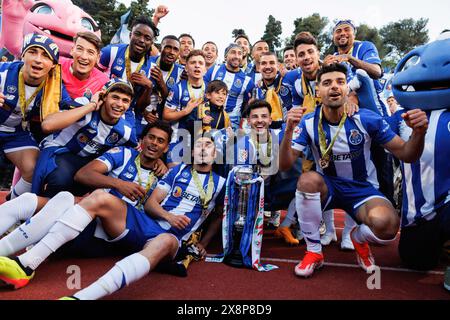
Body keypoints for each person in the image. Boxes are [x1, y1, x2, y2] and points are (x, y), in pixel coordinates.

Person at [0, 136, 226, 300]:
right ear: (192, 152)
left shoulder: (223, 183)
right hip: (140, 222)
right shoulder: (175, 171)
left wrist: (203, 244)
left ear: (215, 154)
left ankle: (82, 297)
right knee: (95, 197)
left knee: (165, 240)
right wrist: (168, 215)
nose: (203, 149)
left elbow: (218, 217)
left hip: (169, 240)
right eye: (198, 145)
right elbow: (150, 203)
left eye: (208, 146)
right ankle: (27, 263)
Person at [279, 63, 428, 278]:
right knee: (307, 181)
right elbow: (284, 165)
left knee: (388, 227)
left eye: (340, 81)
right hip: (328, 186)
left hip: (362, 188)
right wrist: (288, 131)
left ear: (347, 89)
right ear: (318, 92)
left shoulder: (366, 118)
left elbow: (407, 154)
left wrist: (419, 133)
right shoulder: (308, 122)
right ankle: (314, 251)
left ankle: (358, 237)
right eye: (327, 83)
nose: (334, 87)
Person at [0, 121, 172, 261]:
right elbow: (83, 175)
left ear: (166, 148)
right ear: (142, 140)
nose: (154, 143)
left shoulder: (167, 177)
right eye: (151, 137)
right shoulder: (124, 154)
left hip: (105, 232)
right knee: (30, 200)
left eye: (160, 141)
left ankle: (20, 256)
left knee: (62, 207)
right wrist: (119, 184)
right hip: (85, 209)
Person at [324, 19, 395, 207]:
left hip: (373, 110)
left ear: (354, 33)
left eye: (346, 29)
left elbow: (377, 72)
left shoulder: (364, 47)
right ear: (333, 37)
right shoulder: (331, 57)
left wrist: (350, 59)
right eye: (338, 31)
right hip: (348, 116)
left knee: (381, 158)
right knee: (359, 161)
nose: (342, 33)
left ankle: (388, 208)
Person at [31, 78, 138, 198]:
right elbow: (47, 125)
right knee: (60, 180)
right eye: (115, 97)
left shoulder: (126, 130)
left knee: (96, 180)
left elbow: (136, 151)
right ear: (103, 96)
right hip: (58, 151)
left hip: (84, 162)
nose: (119, 104)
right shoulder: (84, 103)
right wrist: (91, 106)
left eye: (125, 101)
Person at [0, 33, 74, 199]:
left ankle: (11, 205)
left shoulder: (53, 87)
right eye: (33, 52)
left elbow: (70, 108)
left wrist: (92, 104)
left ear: (53, 65)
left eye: (46, 56)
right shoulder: (3, 72)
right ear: (22, 54)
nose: (39, 60)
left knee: (33, 168)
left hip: (16, 133)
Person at [98, 16, 159, 126]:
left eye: (147, 38)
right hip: (101, 107)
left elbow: (139, 108)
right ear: (130, 35)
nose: (141, 40)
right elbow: (92, 77)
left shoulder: (152, 69)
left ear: (151, 43)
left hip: (127, 114)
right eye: (138, 34)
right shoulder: (111, 52)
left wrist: (149, 87)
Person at [163, 50, 207, 166]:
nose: (197, 65)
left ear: (205, 69)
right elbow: (166, 115)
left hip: (202, 139)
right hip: (180, 137)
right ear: (186, 68)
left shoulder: (210, 89)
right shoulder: (178, 89)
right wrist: (186, 111)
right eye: (193, 63)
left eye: (200, 63)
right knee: (173, 172)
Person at [135, 35, 183, 137]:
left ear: (179, 54)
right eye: (168, 47)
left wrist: (161, 83)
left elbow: (173, 102)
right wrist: (144, 112)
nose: (171, 52)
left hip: (163, 122)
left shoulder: (181, 72)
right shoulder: (146, 63)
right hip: (139, 115)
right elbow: (133, 95)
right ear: (161, 48)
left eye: (175, 49)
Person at [205, 44, 254, 129]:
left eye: (239, 54)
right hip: (210, 115)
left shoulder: (247, 80)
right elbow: (204, 91)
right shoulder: (213, 70)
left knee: (230, 142)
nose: (237, 56)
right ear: (225, 56)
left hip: (233, 120)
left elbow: (246, 104)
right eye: (233, 52)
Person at [60, 32, 109, 103]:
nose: (84, 56)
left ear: (98, 58)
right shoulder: (56, 65)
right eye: (80, 49)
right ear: (72, 50)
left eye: (90, 52)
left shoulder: (103, 82)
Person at [253, 52, 291, 129]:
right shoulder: (256, 90)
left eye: (272, 63)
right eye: (264, 63)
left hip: (290, 132)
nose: (268, 66)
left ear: (277, 66)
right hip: (266, 134)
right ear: (259, 67)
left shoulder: (288, 81)